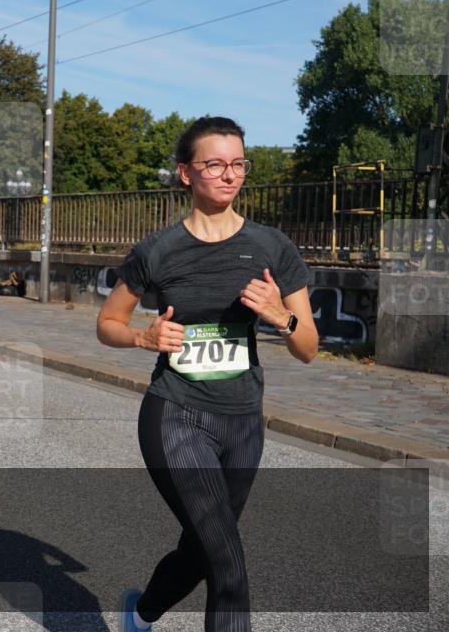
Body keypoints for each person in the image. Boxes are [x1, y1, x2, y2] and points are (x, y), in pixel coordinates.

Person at [96, 117, 317, 632]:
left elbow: (308, 347)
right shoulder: (158, 251)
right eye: (214, 164)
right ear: (185, 174)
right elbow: (108, 324)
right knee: (229, 566)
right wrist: (142, 337)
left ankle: (142, 611)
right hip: (175, 413)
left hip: (243, 422)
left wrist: (279, 317)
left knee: (203, 548)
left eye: (238, 163)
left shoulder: (272, 247)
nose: (228, 174)